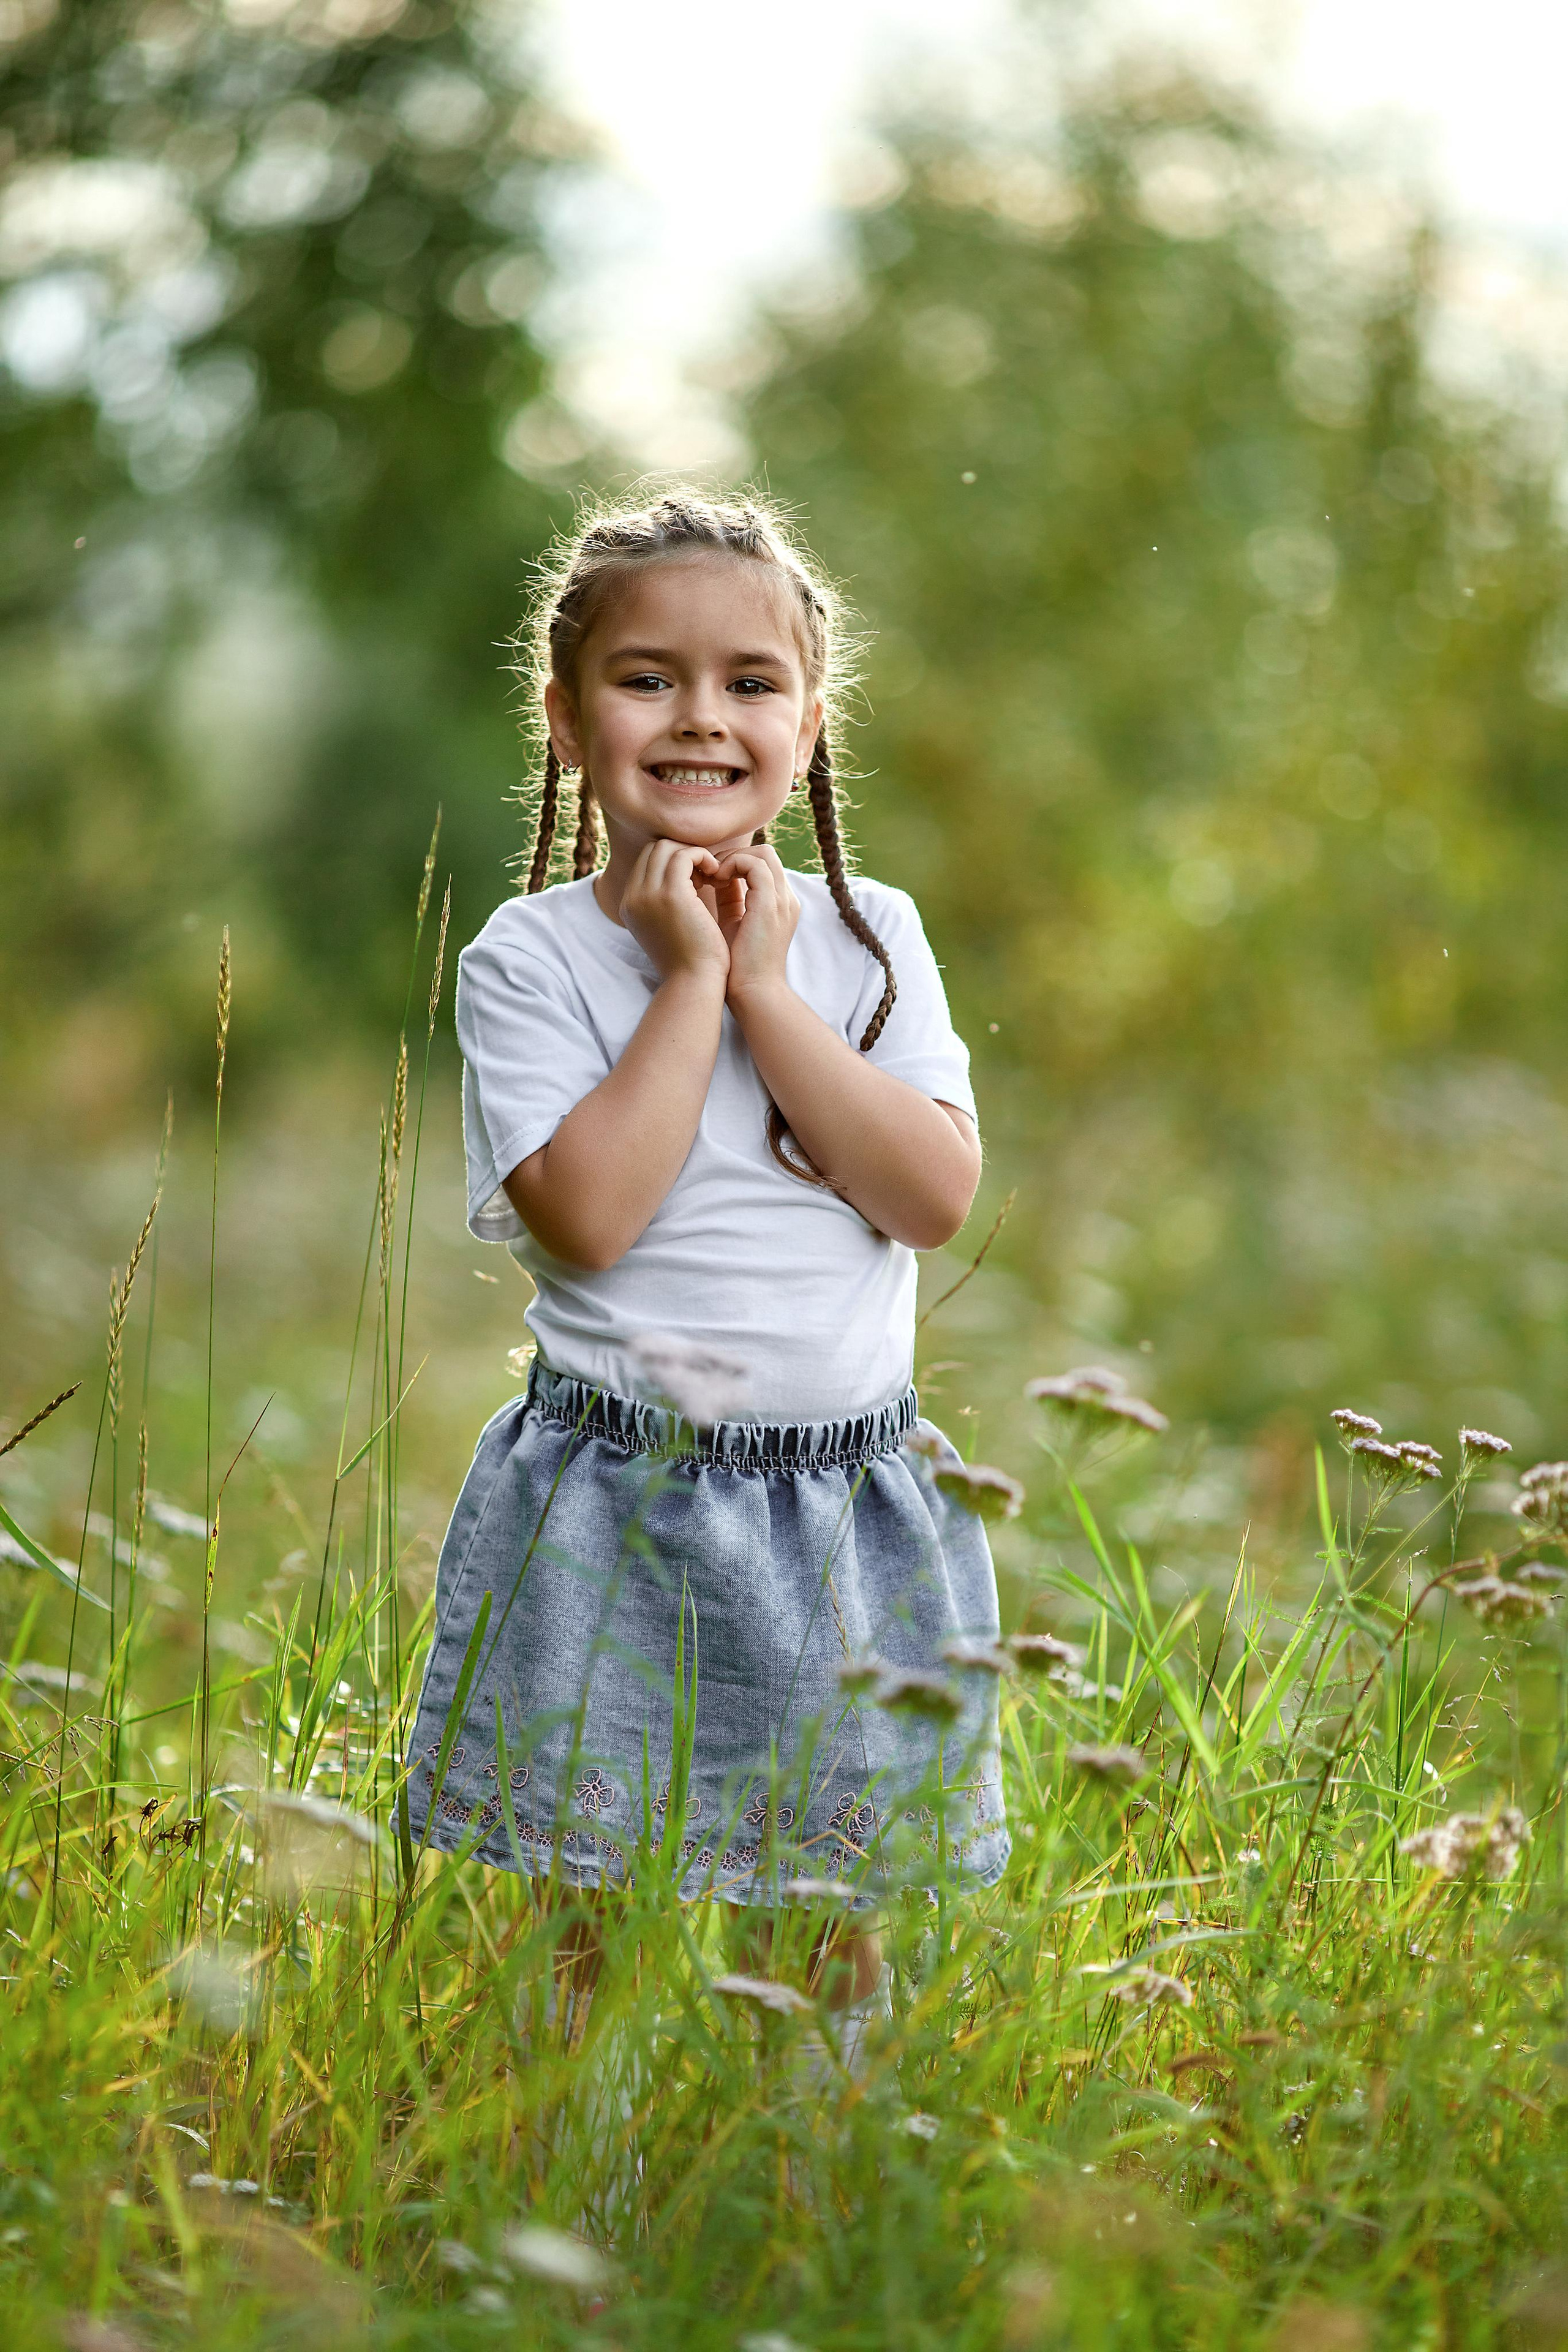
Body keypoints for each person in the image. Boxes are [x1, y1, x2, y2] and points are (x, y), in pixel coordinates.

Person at [407, 489, 1009, 2056]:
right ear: (563, 717)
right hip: (612, 1496)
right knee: (582, 1907)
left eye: (750, 682)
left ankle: (798, 2224)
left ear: (810, 726)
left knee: (819, 1913)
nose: (699, 717)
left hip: (840, 1508)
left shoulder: (872, 942)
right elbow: (588, 1219)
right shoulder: (530, 958)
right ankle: (557, 2233)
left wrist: (765, 989)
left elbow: (933, 1194)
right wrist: (688, 984)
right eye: (645, 677)